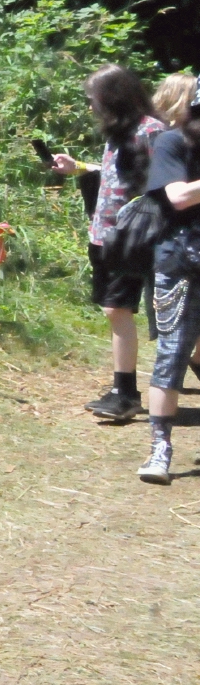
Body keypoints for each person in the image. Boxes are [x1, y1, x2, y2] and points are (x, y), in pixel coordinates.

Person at [52, 65, 164, 422]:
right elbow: (116, 176)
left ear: (113, 97)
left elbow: (167, 183)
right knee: (114, 310)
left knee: (118, 309)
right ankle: (125, 390)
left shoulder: (152, 131)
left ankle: (125, 393)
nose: (91, 108)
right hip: (105, 236)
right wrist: (79, 168)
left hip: (134, 238)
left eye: (94, 100)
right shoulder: (118, 133)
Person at [141, 81, 200, 482]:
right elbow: (177, 196)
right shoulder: (171, 143)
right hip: (180, 262)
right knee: (173, 351)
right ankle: (160, 448)